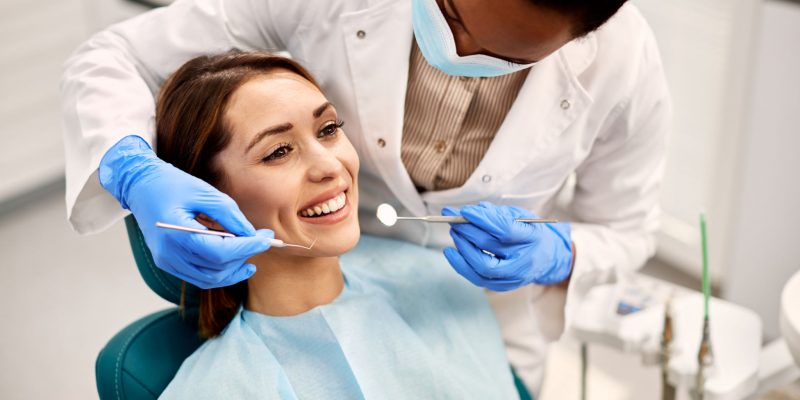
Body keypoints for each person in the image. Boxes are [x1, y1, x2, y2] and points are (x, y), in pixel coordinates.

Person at [61, 0, 671, 392]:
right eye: (278, 150)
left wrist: (560, 252)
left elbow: (629, 226)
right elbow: (112, 57)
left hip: (473, 309)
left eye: (331, 128)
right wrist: (133, 170)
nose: (458, 51)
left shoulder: (623, 62)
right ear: (208, 189)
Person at [153, 50, 519, 399]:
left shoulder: (439, 283)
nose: (330, 165)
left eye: (328, 129)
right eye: (278, 151)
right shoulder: (215, 390)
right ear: (205, 209)